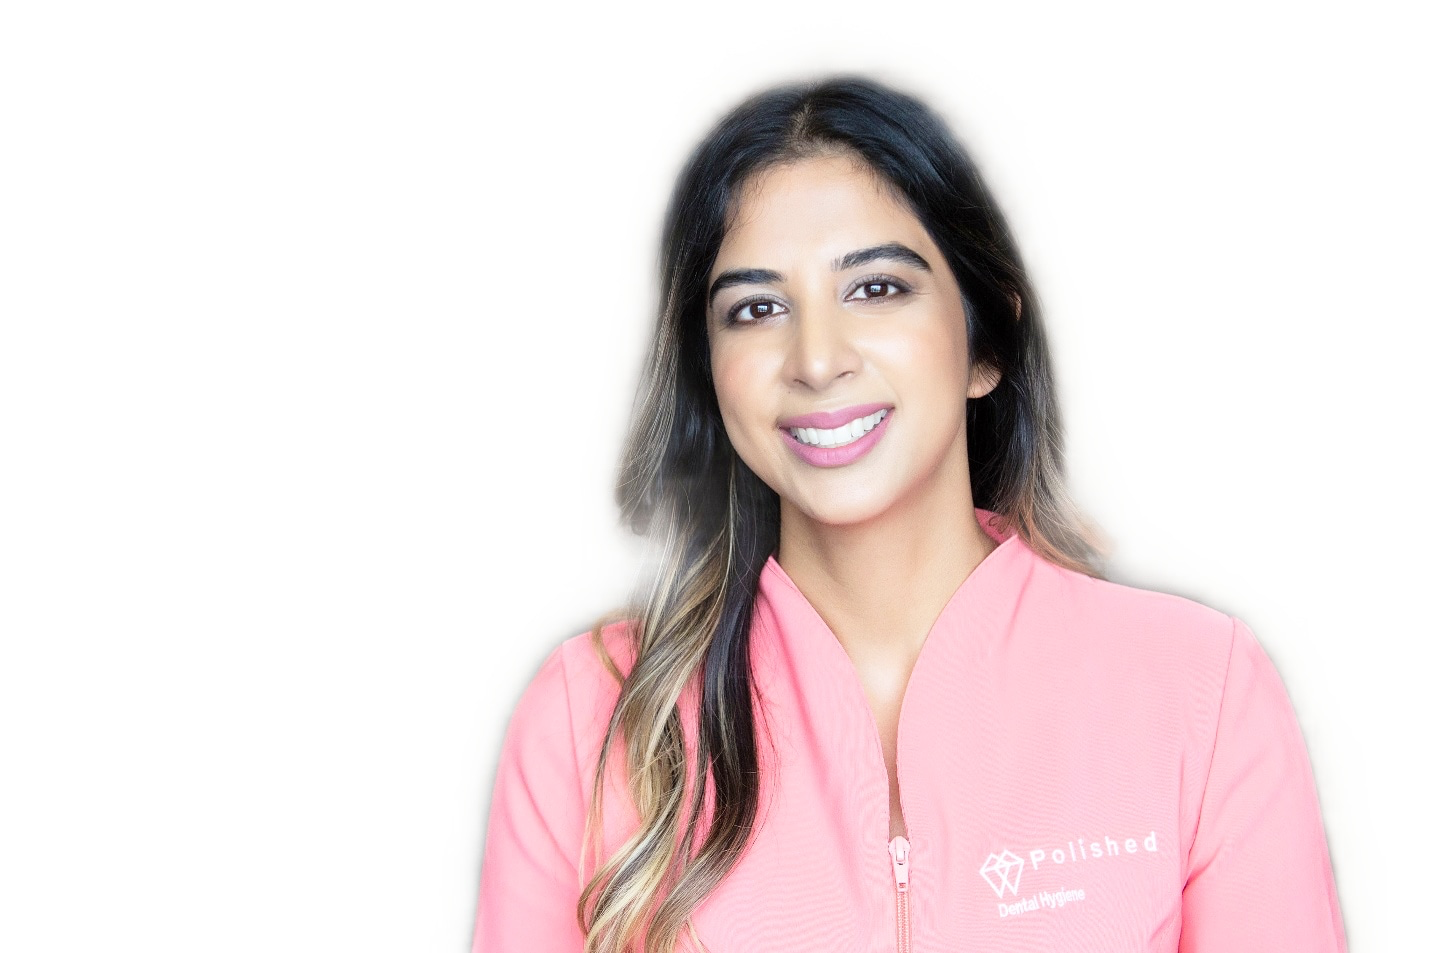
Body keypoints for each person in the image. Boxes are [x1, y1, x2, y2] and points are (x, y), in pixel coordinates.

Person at [470, 76, 1346, 952]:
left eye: (877, 288)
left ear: (985, 347)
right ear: (713, 373)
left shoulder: (1201, 689)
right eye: (757, 309)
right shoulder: (589, 716)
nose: (816, 359)